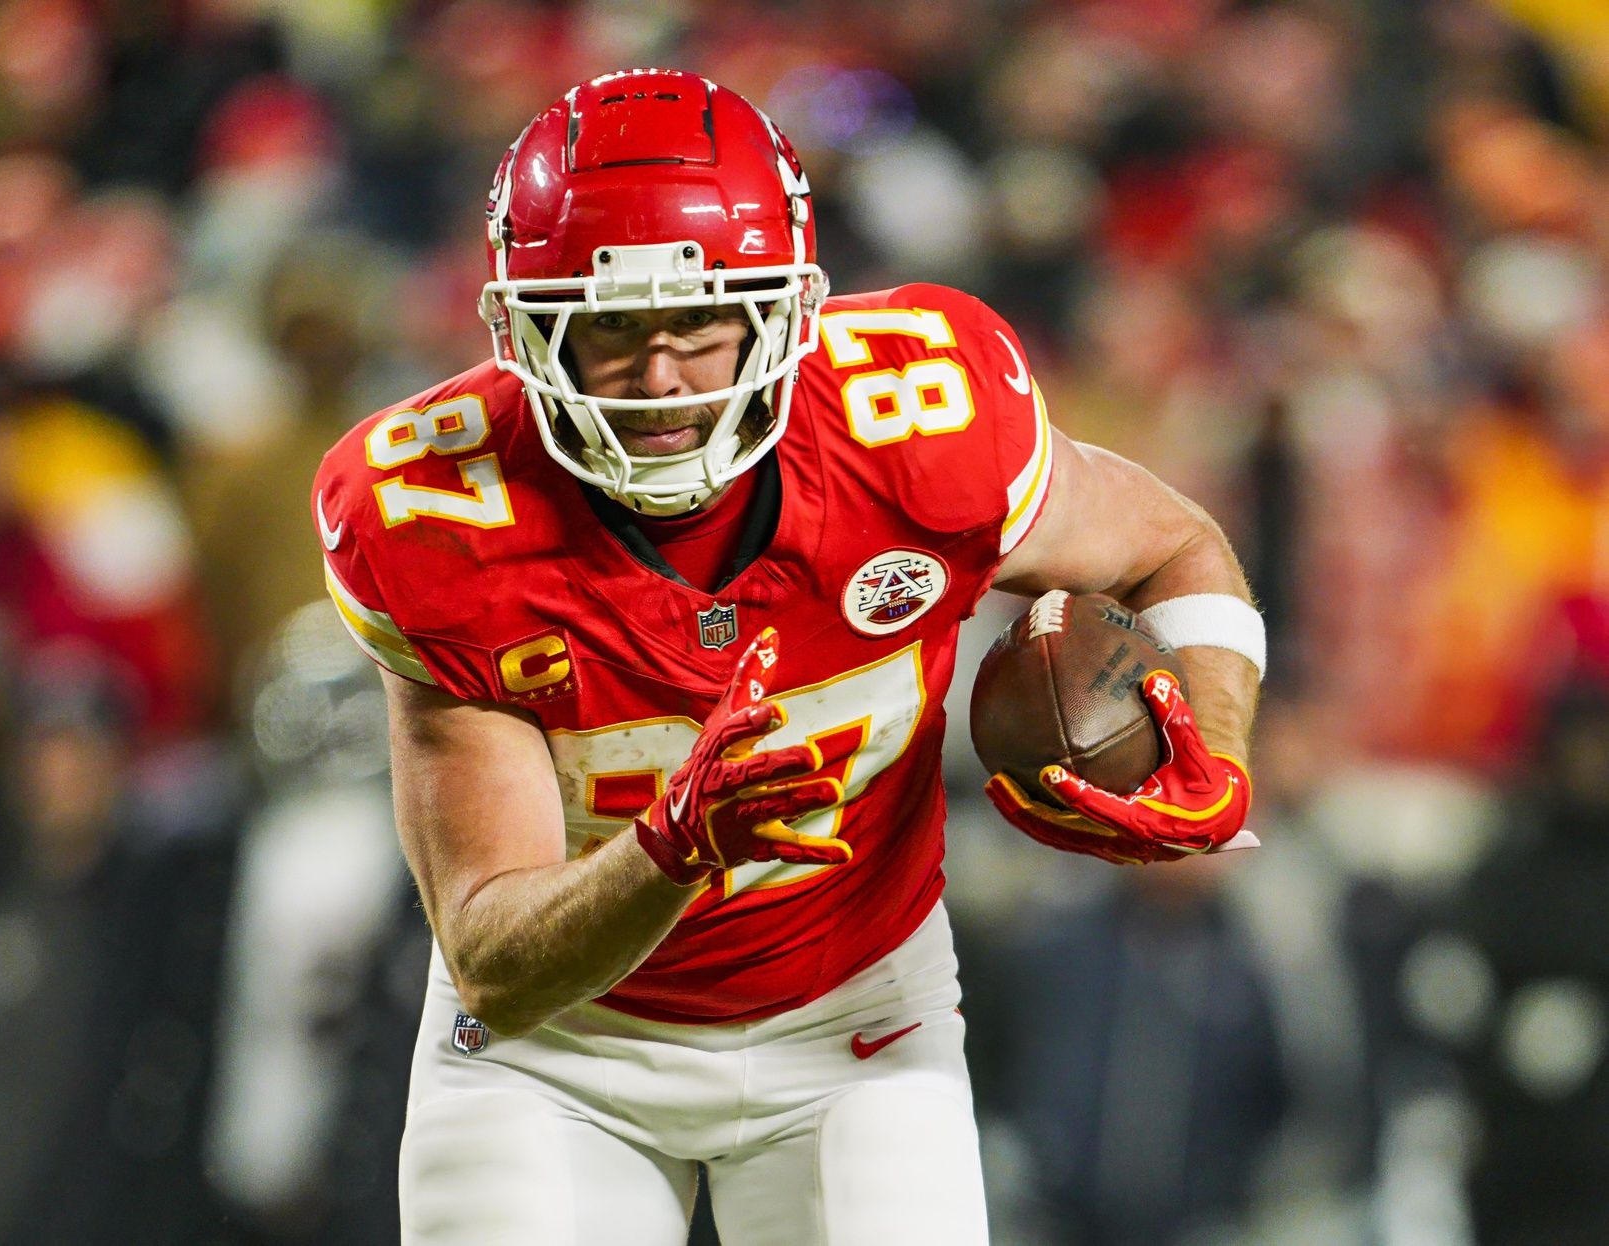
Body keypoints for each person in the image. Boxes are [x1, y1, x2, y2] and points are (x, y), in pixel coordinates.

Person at [312, 68, 1265, 1245]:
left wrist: (1210, 750)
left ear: (787, 310)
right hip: (558, 1053)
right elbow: (496, 959)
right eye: (609, 329)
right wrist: (668, 849)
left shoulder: (923, 422)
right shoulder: (435, 517)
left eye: (701, 326)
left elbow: (1174, 544)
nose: (659, 380)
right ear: (519, 325)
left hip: (853, 1016)